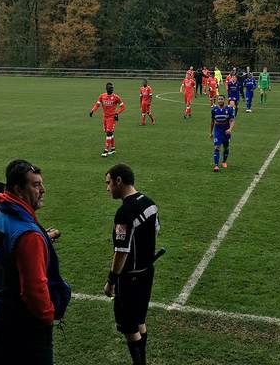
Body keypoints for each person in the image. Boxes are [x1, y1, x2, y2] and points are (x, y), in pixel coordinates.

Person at [0, 159, 70, 365]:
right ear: (19, 190)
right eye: (36, 185)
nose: (43, 190)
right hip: (20, 326)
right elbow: (34, 290)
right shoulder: (28, 235)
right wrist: (47, 318)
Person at [103, 163, 161, 365]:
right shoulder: (149, 202)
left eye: (109, 183)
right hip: (147, 272)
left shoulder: (124, 213)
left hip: (130, 278)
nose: (107, 188)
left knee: (129, 327)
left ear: (119, 181)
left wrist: (111, 280)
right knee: (140, 320)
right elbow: (155, 231)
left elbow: (121, 251)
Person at [90, 82, 126, 157]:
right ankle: (113, 149)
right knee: (109, 132)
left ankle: (106, 150)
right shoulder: (102, 96)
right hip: (105, 117)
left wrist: (117, 113)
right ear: (106, 89)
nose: (112, 89)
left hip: (111, 118)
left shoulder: (116, 97)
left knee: (109, 133)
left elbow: (123, 107)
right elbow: (97, 105)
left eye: (112, 88)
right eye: (110, 88)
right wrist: (92, 110)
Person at [210, 95, 235, 172]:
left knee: (226, 147)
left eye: (222, 99)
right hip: (217, 130)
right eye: (219, 99)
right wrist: (211, 133)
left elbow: (232, 120)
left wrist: (230, 129)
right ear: (217, 100)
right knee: (217, 147)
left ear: (224, 100)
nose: (220, 100)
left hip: (226, 130)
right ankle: (216, 165)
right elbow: (212, 121)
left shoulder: (229, 109)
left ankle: (224, 161)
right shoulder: (214, 110)